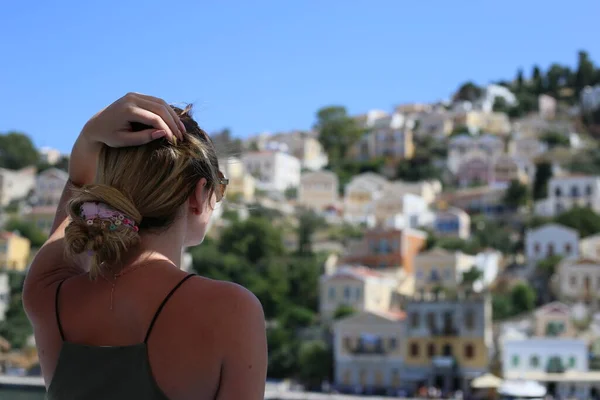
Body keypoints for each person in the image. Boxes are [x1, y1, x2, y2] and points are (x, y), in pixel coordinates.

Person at [22, 93, 267, 399]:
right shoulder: (232, 311)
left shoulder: (49, 297)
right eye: (220, 186)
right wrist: (90, 138)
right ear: (199, 193)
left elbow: (78, 185)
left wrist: (88, 137)